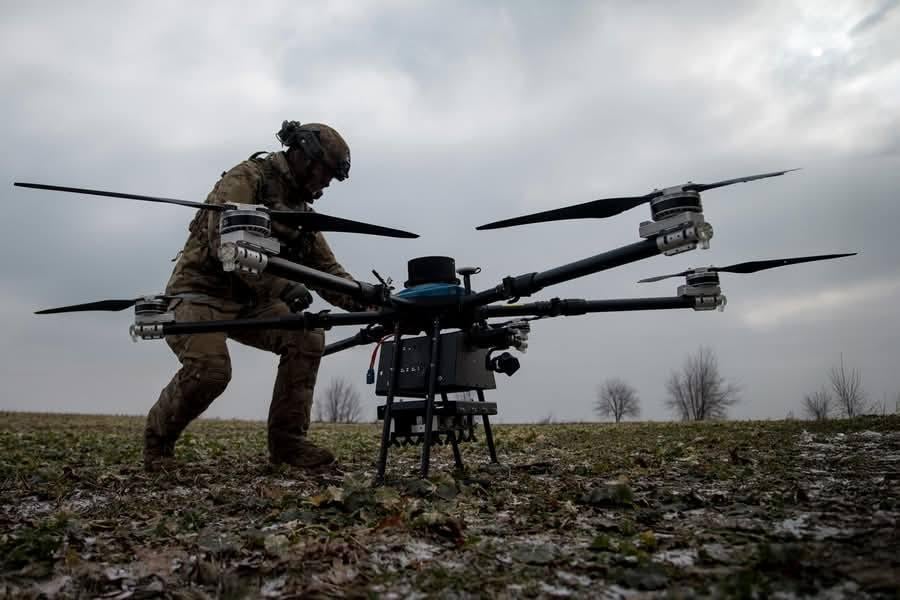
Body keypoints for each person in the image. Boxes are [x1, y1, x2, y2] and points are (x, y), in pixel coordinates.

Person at [144, 120, 364, 472]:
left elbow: (328, 273)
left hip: (251, 304)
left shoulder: (301, 214)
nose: (326, 184)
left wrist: (373, 300)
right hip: (199, 293)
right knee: (211, 372)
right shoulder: (247, 179)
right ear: (303, 155)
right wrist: (282, 287)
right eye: (325, 173)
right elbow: (227, 248)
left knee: (306, 335)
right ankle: (158, 444)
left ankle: (289, 447)